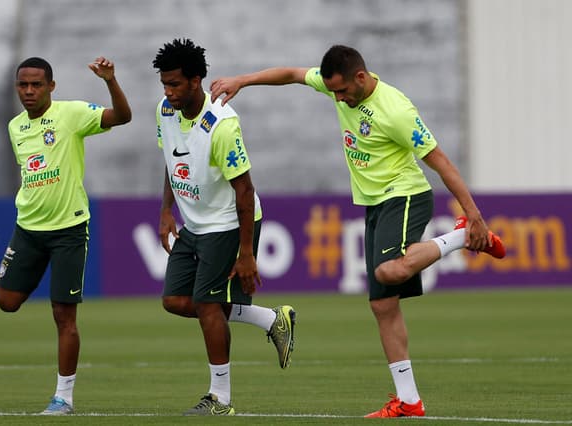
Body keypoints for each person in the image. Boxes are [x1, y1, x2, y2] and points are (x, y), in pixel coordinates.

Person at [210, 45, 505, 418]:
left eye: (343, 91)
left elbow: (440, 161)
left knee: (390, 270)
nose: (338, 98)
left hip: (405, 195)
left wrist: (473, 214)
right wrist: (242, 80)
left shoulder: (396, 110)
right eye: (333, 91)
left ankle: (462, 236)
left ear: (361, 78)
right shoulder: (338, 84)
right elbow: (291, 74)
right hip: (375, 204)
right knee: (382, 304)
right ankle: (410, 401)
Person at [153, 38, 297, 416]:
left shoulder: (222, 124)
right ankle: (270, 319)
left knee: (205, 303)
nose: (168, 92)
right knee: (174, 301)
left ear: (197, 79)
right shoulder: (165, 111)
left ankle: (220, 400)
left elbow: (245, 190)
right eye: (164, 84)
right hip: (194, 223)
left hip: (229, 223)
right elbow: (171, 160)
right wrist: (167, 211)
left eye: (176, 85)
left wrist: (247, 253)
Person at [0, 56, 132, 415]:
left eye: (36, 84)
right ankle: (43, 269)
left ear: (51, 87)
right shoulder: (15, 127)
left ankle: (64, 398)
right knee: (6, 301)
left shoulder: (71, 114)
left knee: (63, 315)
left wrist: (110, 81)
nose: (28, 91)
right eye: (23, 85)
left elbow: (123, 116)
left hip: (69, 230)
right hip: (27, 229)